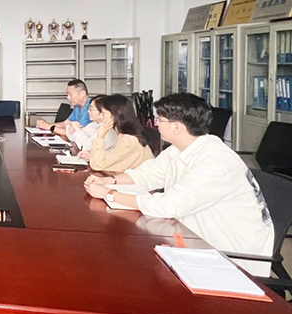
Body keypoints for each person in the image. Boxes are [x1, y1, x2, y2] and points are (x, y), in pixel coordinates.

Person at [83, 93, 274, 276]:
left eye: (160, 119)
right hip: (196, 240)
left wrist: (109, 194)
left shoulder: (214, 161)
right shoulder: (181, 148)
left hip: (231, 259)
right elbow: (148, 174)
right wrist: (110, 181)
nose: (155, 124)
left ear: (177, 127)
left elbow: (168, 205)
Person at [84, 94, 154, 172]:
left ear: (114, 115)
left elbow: (98, 165)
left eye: (103, 113)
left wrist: (100, 136)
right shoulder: (122, 136)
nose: (100, 117)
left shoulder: (129, 141)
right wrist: (91, 156)